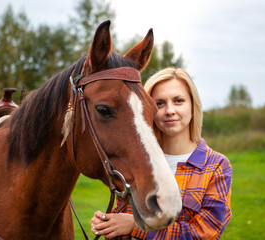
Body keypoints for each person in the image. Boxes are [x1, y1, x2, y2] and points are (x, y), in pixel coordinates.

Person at [91, 67, 232, 239]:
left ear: (193, 106)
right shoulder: (139, 160)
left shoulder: (215, 165)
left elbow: (205, 234)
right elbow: (124, 217)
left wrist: (134, 226)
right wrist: (109, 222)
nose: (170, 110)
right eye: (160, 103)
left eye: (178, 101)